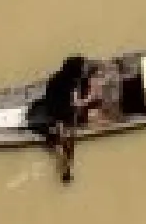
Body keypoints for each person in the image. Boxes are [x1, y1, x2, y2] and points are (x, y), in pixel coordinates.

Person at [32, 56, 103, 185]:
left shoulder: (57, 77)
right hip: (60, 111)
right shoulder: (70, 87)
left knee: (64, 137)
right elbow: (75, 104)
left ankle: (66, 162)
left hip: (53, 107)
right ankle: (66, 163)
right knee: (67, 136)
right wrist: (91, 99)